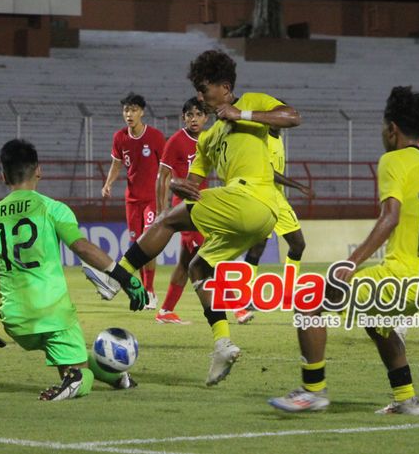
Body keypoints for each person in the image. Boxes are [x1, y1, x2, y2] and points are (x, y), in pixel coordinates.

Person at [93, 50, 301, 385]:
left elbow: (292, 116)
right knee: (198, 268)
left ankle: (116, 277)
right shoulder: (209, 138)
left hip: (255, 199)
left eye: (205, 89)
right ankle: (222, 343)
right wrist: (177, 183)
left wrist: (242, 112)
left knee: (164, 221)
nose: (201, 97)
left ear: (225, 86)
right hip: (251, 214)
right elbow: (191, 182)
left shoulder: (251, 101)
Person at [269, 86, 419, 415]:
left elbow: (390, 217)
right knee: (376, 322)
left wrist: (350, 262)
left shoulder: (393, 160)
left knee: (308, 300)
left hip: (398, 277)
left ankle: (313, 391)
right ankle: (407, 398)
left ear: (392, 129)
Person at [0, 139, 147, 401]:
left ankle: (117, 377)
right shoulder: (52, 209)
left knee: (67, 354)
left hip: (16, 321)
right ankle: (77, 380)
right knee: (79, 372)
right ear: (39, 171)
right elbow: (82, 248)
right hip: (52, 313)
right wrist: (124, 277)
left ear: (3, 176)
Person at [233, 120, 311, 325]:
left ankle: (287, 292)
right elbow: (269, 172)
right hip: (263, 198)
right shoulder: (263, 139)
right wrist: (300, 186)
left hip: (279, 200)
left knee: (298, 244)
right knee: (257, 248)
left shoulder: (279, 137)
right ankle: (244, 296)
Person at [98, 93, 166, 309]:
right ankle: (136, 288)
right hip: (132, 200)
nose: (129, 114)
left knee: (147, 243)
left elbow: (166, 169)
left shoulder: (155, 136)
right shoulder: (119, 137)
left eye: (134, 110)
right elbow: (117, 164)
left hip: (151, 200)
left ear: (142, 112)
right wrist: (108, 183)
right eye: (126, 110)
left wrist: (165, 198)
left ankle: (150, 291)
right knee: (135, 245)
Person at [153, 97, 208, 324]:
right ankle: (236, 306)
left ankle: (165, 311)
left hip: (203, 205)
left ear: (206, 118)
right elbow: (162, 177)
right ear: (183, 117)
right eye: (189, 115)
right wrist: (161, 210)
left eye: (198, 115)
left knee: (186, 262)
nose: (193, 119)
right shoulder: (176, 141)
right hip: (184, 208)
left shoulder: (208, 140)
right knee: (208, 253)